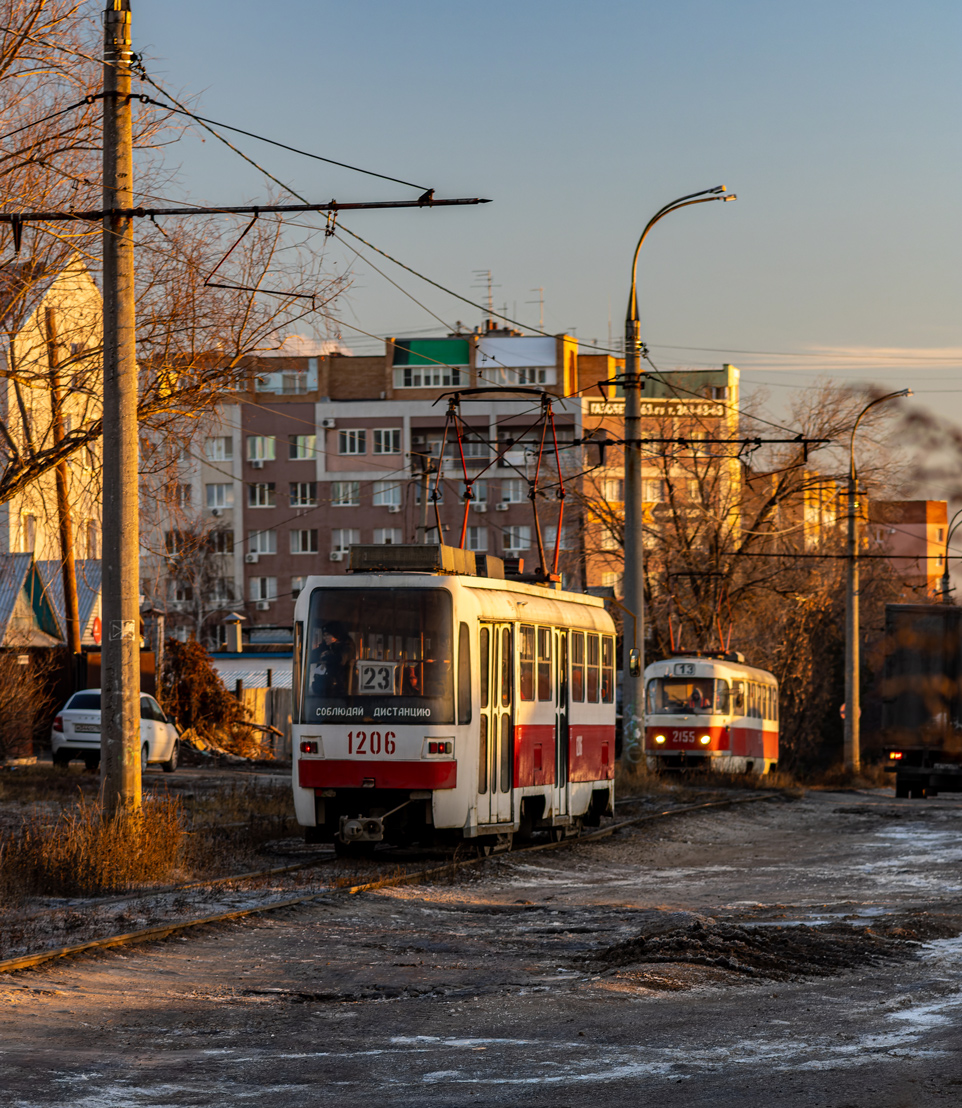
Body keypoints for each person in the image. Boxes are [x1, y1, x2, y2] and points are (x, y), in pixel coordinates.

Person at [310, 621, 356, 696]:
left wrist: (326, 657)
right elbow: (311, 656)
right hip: (326, 687)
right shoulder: (326, 645)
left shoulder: (347, 645)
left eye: (327, 635)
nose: (325, 638)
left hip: (344, 687)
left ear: (336, 635)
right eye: (324, 635)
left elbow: (341, 659)